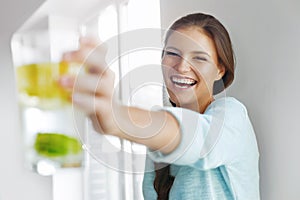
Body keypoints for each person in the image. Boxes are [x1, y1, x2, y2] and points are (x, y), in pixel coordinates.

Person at [59, 13, 260, 200]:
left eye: (199, 58)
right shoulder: (158, 139)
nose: (182, 67)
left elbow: (200, 140)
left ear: (220, 70)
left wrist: (117, 117)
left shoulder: (232, 117)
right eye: (173, 53)